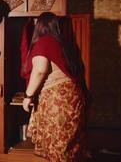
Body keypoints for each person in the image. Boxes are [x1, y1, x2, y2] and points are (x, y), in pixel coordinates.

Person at [22, 12, 87, 162]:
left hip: (58, 98)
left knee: (58, 143)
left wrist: (28, 96)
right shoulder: (61, 42)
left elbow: (39, 71)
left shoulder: (44, 42)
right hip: (72, 95)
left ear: (39, 26)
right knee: (68, 143)